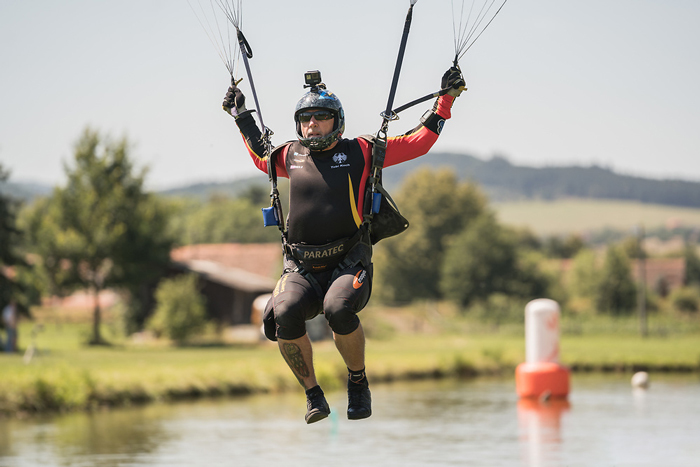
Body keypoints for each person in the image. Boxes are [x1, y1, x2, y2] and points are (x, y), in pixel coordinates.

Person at [222, 67, 465, 424]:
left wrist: (446, 100)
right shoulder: (290, 155)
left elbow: (419, 141)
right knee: (283, 313)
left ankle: (357, 382)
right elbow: (262, 157)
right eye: (306, 119)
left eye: (322, 117)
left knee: (338, 308)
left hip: (348, 262)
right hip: (301, 267)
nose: (313, 125)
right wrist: (241, 115)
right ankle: (313, 394)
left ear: (338, 121)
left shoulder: (362, 151)